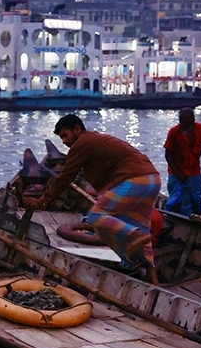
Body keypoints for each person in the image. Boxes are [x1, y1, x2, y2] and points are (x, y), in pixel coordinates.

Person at [24, 114, 161, 282]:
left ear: (77, 129)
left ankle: (134, 236)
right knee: (142, 227)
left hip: (135, 180)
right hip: (152, 179)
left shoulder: (82, 143)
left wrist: (42, 200)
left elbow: (65, 178)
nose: (64, 142)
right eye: (61, 138)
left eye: (65, 136)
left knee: (96, 217)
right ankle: (152, 276)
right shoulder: (94, 140)